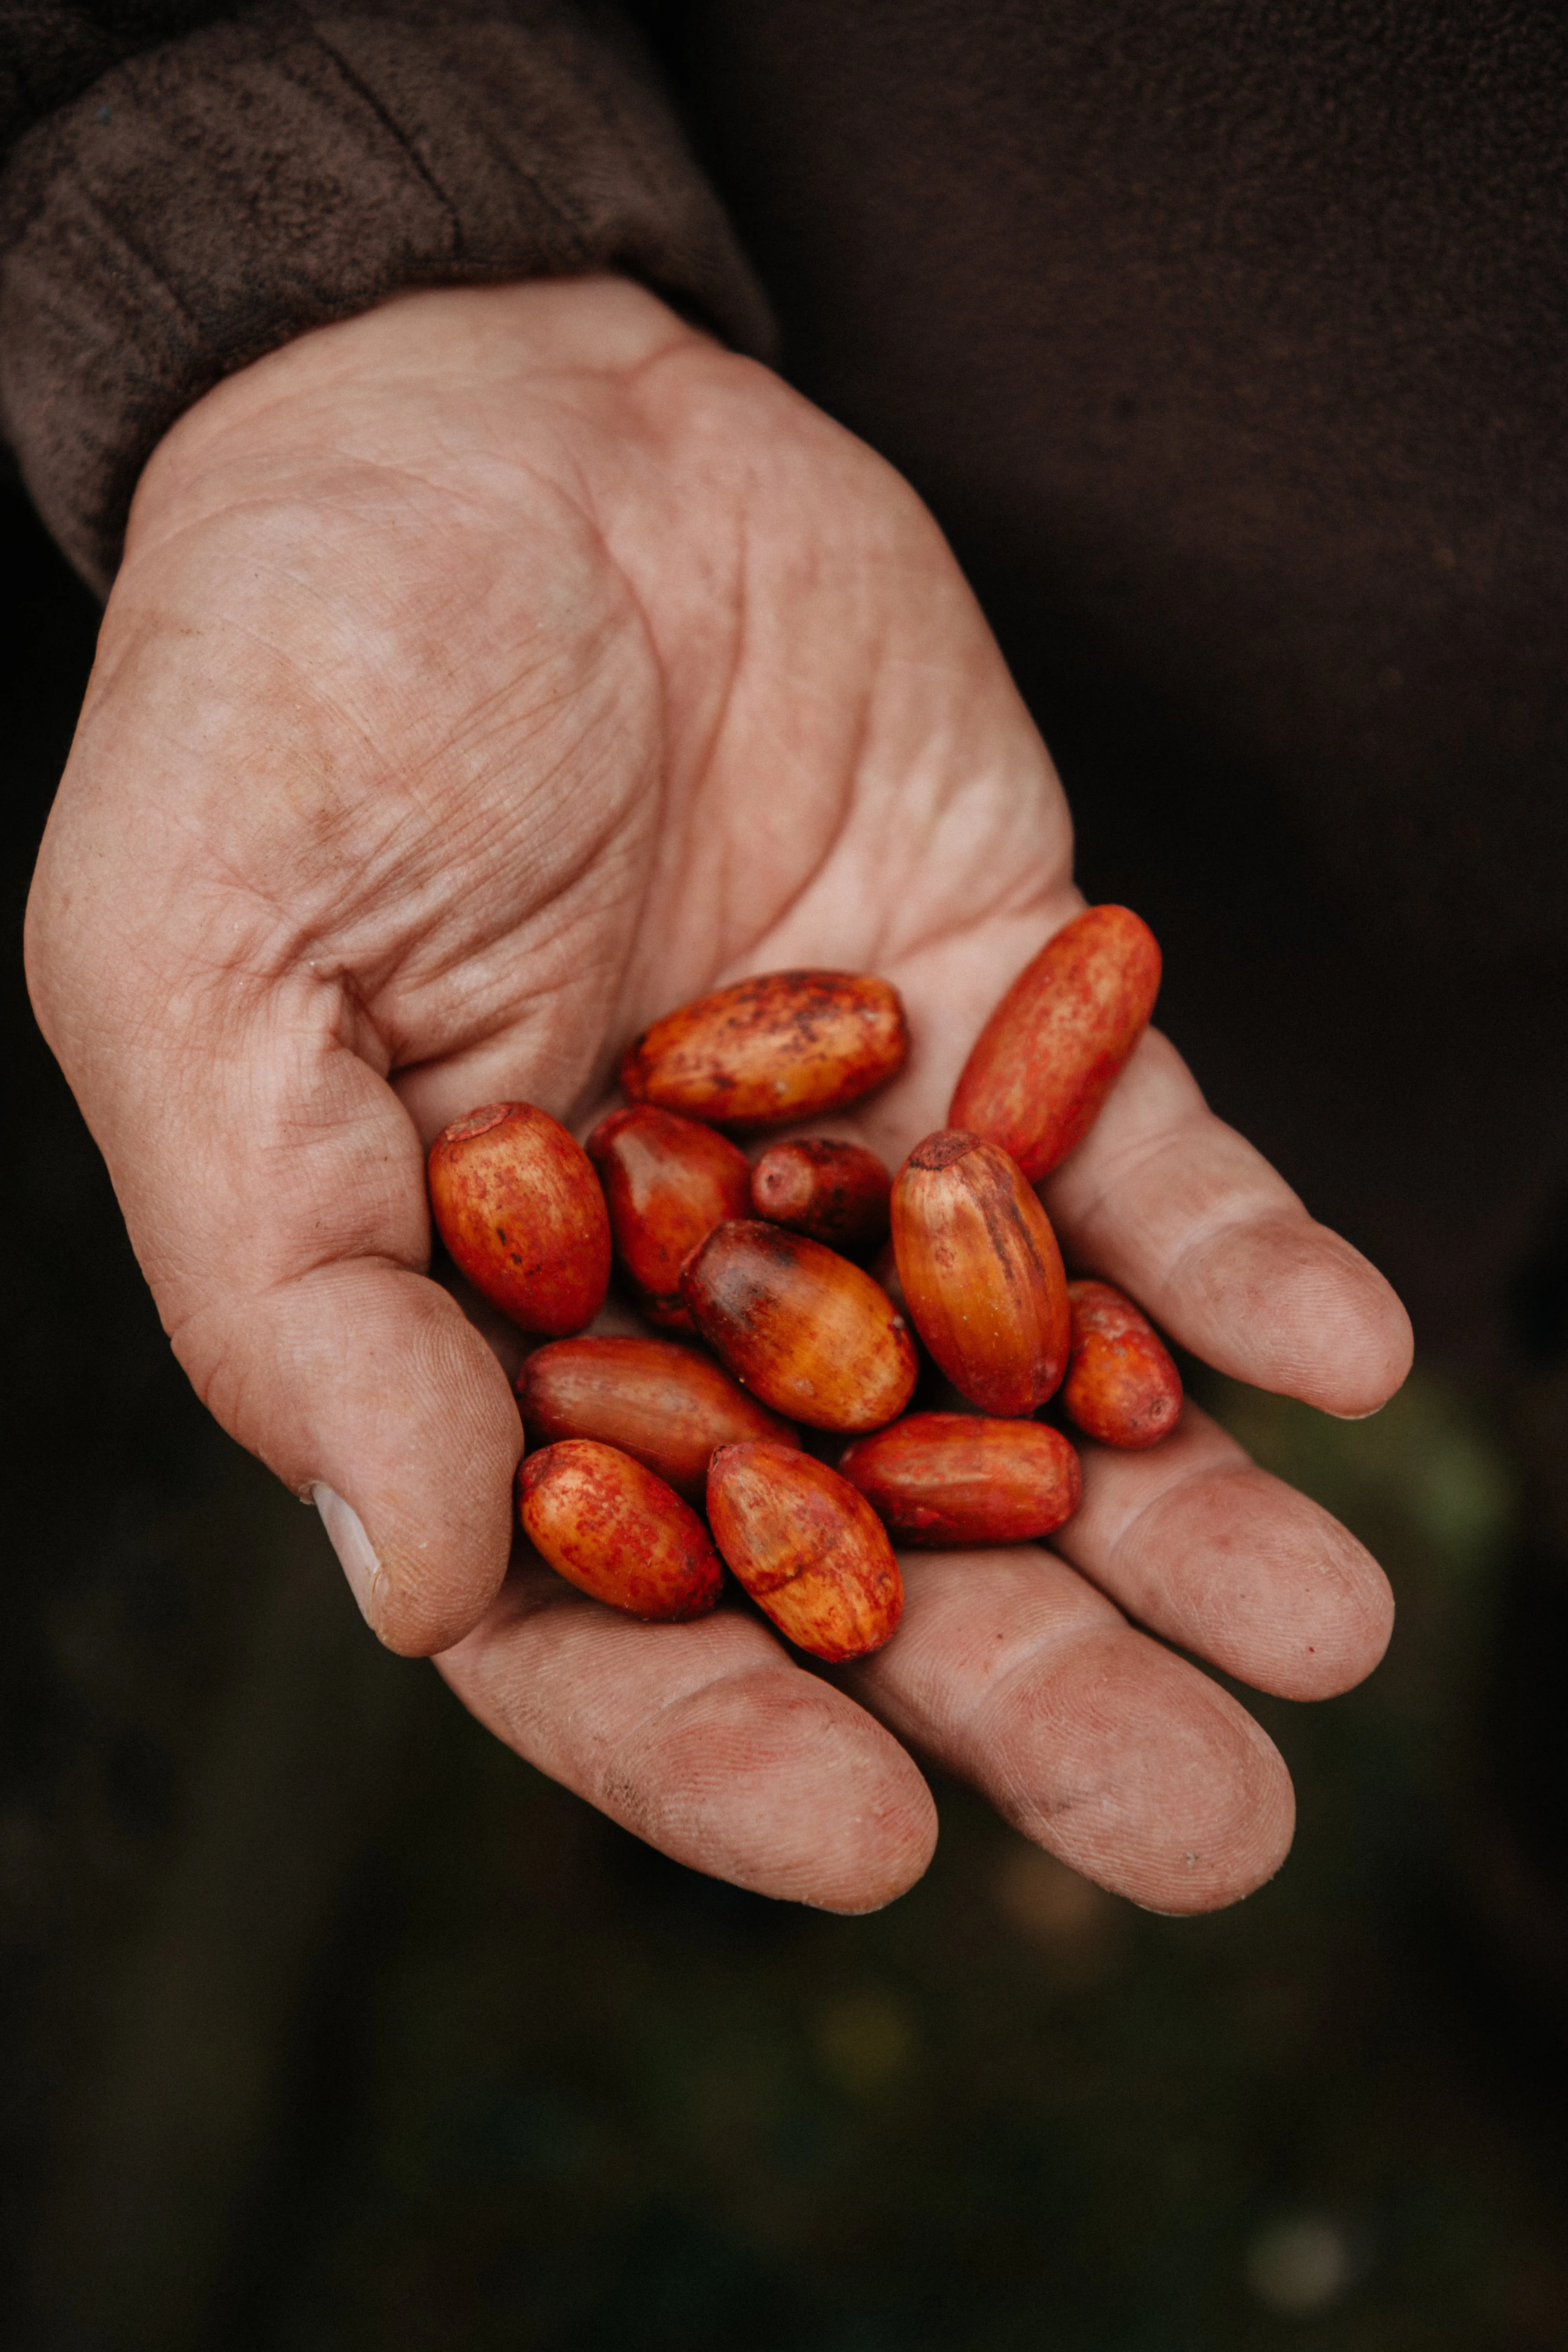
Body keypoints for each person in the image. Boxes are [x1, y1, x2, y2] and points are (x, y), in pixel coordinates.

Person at [19, 0, 1561, 1921]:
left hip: (1421, 975)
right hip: (807, 443)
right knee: (778, 1612)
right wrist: (309, 224)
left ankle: (1508, 1895)